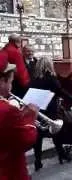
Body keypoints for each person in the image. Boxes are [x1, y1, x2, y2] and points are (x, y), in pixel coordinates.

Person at [30, 57, 72, 170]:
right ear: (49, 65)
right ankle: (62, 154)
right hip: (50, 109)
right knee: (56, 133)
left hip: (38, 109)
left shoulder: (34, 78)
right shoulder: (51, 78)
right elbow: (60, 91)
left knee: (38, 136)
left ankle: (37, 161)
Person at [0, 51, 39, 180]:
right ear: (2, 82)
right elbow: (26, 140)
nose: (11, 85)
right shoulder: (7, 109)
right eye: (10, 81)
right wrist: (30, 117)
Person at [2, 33, 30, 98]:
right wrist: (26, 84)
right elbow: (20, 70)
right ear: (16, 42)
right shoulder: (15, 52)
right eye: (20, 41)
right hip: (14, 83)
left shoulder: (4, 49)